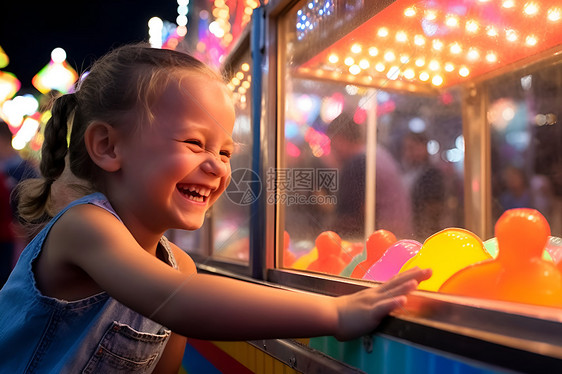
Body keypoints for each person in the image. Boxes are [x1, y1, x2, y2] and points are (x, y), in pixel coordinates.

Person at [0, 44, 431, 373]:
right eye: (194, 143)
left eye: (225, 152)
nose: (216, 166)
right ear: (107, 146)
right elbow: (180, 303)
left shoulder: (180, 267)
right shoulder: (84, 227)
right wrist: (336, 313)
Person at [327, 112, 412, 240]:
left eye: (332, 143)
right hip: (399, 235)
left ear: (340, 139)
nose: (331, 150)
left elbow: (349, 219)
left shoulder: (358, 162)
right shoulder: (377, 152)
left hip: (384, 240)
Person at [401, 132, 446, 241]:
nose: (408, 153)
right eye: (406, 149)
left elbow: (434, 207)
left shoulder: (432, 174)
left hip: (424, 233)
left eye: (412, 148)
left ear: (424, 148)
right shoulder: (408, 171)